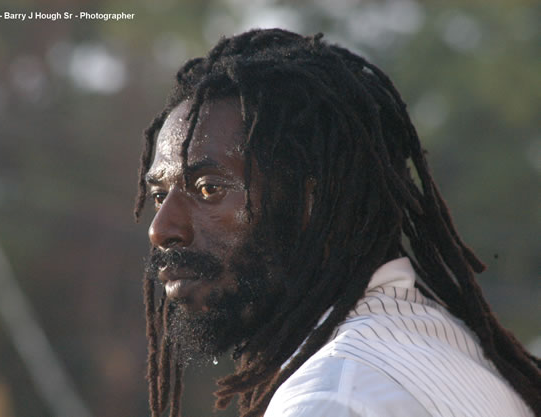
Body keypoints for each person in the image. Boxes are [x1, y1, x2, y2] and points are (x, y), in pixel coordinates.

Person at [135, 28, 540, 417]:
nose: (161, 228)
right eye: (158, 196)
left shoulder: (333, 398)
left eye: (208, 189)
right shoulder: (443, 345)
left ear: (310, 201)